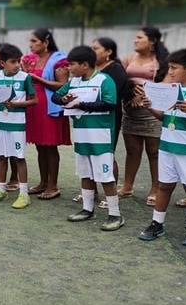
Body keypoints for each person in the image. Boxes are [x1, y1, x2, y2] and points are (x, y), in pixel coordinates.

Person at [138, 48, 186, 247]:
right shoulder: (170, 89)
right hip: (167, 146)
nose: (171, 71)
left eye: (175, 68)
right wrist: (150, 107)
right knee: (164, 185)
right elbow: (164, 117)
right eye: (170, 67)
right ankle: (157, 223)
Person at [55, 46, 123, 231]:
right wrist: (64, 99)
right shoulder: (74, 81)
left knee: (105, 177)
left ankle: (115, 214)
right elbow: (56, 96)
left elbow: (110, 104)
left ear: (85, 65)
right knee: (85, 173)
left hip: (100, 137)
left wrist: (81, 104)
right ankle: (87, 209)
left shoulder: (104, 80)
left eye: (72, 64)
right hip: (81, 135)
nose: (69, 68)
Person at [0, 44, 37, 209]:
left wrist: (15, 104)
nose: (17, 65)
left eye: (18, 61)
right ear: (2, 62)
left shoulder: (24, 77)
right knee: (1, 156)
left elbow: (34, 101)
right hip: (0, 122)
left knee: (19, 157)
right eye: (13, 62)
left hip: (16, 124)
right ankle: (1, 190)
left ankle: (24, 194)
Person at [120, 27, 168, 206]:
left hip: (153, 111)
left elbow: (166, 83)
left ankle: (156, 189)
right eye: (135, 37)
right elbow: (120, 79)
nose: (135, 40)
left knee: (154, 153)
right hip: (130, 109)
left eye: (140, 37)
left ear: (152, 41)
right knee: (132, 151)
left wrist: (145, 95)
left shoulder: (162, 61)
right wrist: (131, 92)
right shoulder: (129, 58)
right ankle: (127, 187)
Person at [21, 28, 70, 200]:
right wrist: (26, 73)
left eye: (34, 41)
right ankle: (43, 182)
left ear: (46, 42)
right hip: (33, 105)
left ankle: (53, 185)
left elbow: (62, 85)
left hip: (50, 106)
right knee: (40, 146)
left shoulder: (59, 60)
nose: (31, 45)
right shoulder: (30, 60)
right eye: (30, 41)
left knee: (50, 146)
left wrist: (38, 79)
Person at [88, 37, 131, 207]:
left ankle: (110, 194)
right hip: (89, 116)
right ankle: (91, 191)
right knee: (89, 153)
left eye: (96, 48)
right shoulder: (90, 68)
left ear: (108, 52)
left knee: (107, 154)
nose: (92, 51)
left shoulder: (116, 69)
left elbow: (113, 96)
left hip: (108, 118)